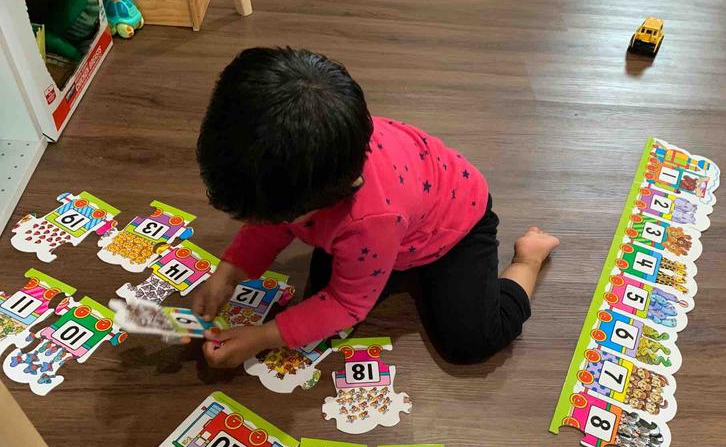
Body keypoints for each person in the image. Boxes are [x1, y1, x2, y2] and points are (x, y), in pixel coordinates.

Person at [192, 47, 559, 367]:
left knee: (470, 342)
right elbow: (271, 220)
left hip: (456, 229)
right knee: (315, 309)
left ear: (330, 197)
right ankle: (391, 265)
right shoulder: (320, 151)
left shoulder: (367, 219)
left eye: (277, 216)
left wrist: (260, 338)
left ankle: (529, 259)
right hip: (398, 223)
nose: (260, 222)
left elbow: (345, 304)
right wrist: (228, 271)